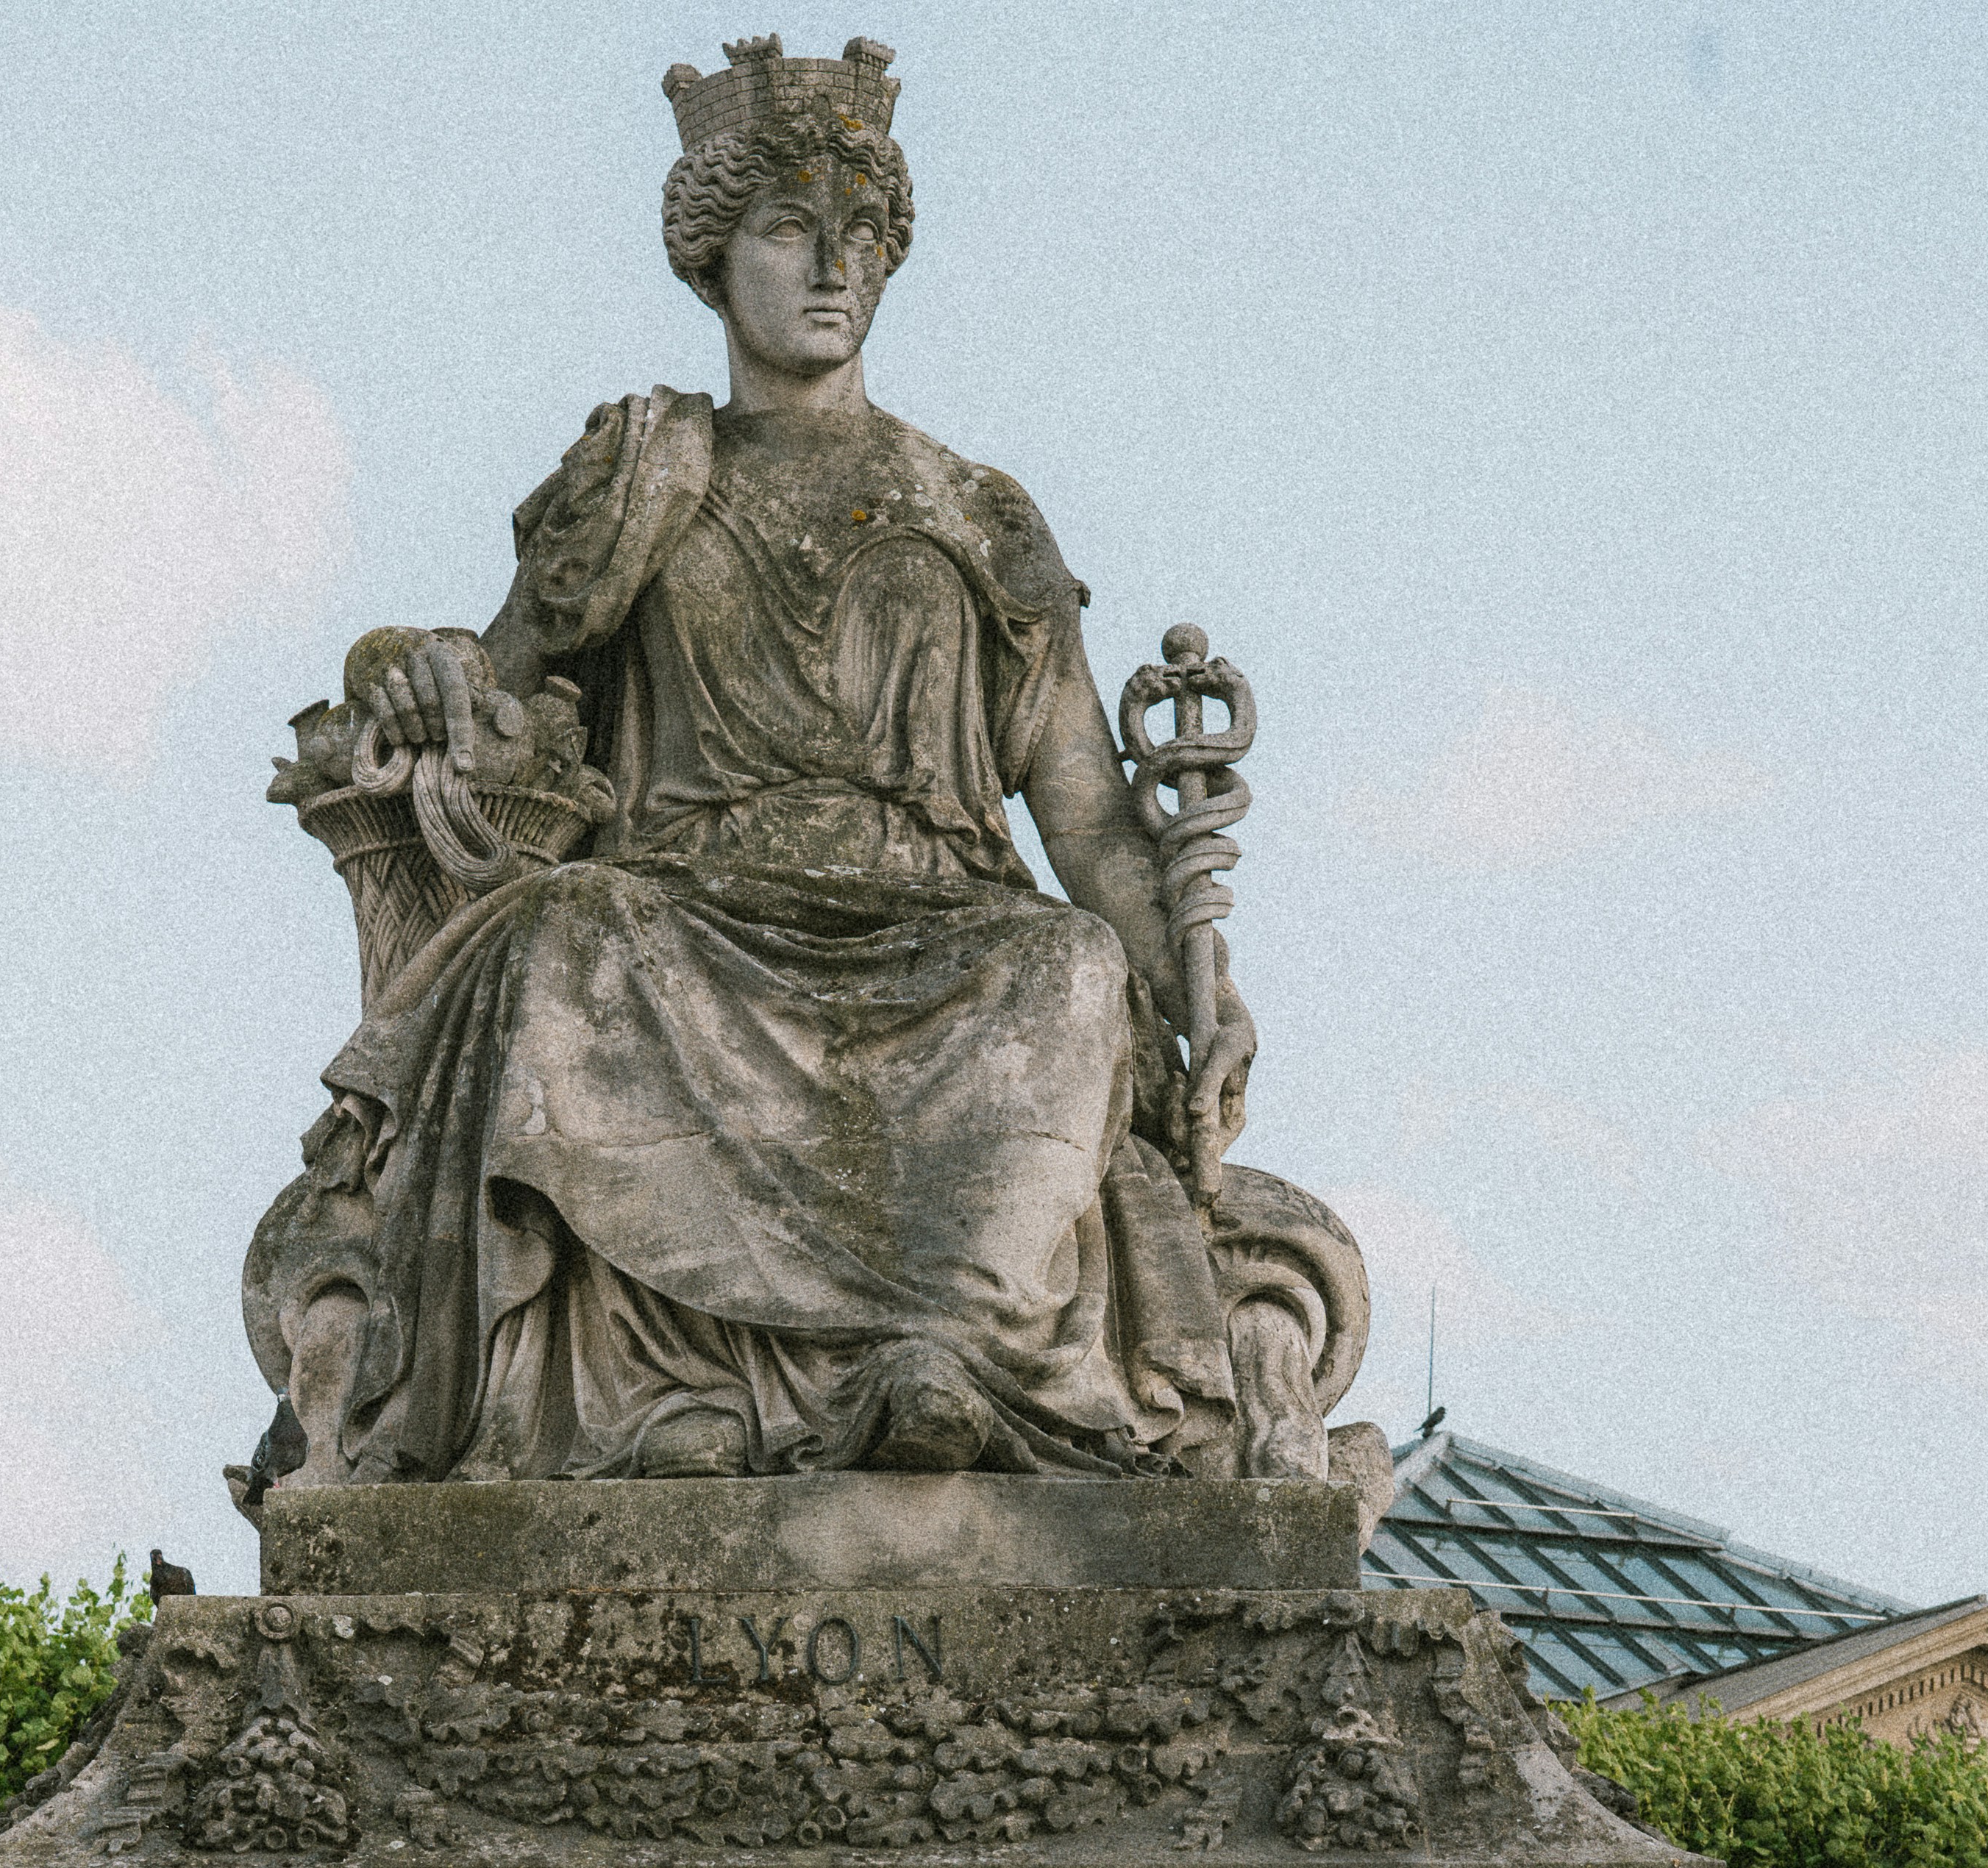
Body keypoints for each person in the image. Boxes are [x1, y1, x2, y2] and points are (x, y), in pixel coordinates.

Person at [246, 33, 1325, 1491]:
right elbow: (488, 680)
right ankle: (663, 1394)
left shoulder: (974, 511)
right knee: (569, 931)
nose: (829, 268)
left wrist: (1208, 991)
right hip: (690, 911)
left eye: (859, 238)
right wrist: (412, 665)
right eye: (785, 230)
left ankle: (940, 1357)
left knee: (1068, 968)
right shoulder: (638, 478)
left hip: (937, 926)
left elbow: (1082, 810)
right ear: (712, 256)